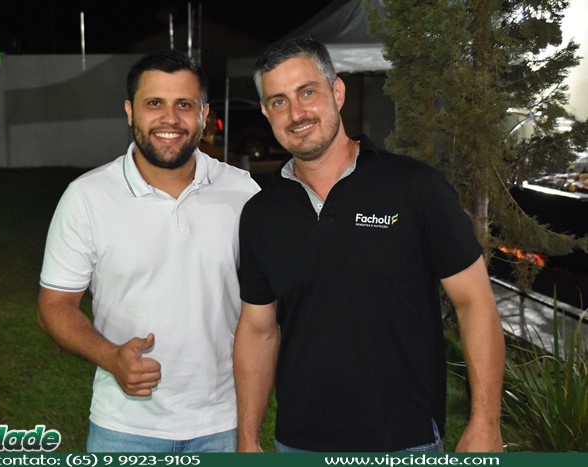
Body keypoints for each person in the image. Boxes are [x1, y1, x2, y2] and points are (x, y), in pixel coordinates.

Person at [234, 37, 505, 453]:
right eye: (279, 101)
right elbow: (258, 330)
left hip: (405, 442)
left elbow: (475, 303)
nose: (296, 113)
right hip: (299, 444)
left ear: (337, 92)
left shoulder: (416, 187)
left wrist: (485, 423)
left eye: (308, 92)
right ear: (267, 112)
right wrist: (247, 439)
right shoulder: (260, 213)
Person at [38, 50, 260, 452]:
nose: (169, 119)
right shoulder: (86, 197)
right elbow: (54, 305)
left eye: (184, 105)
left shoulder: (243, 193)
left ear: (204, 114)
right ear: (130, 111)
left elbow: (267, 311)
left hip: (223, 424)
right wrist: (110, 357)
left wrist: (248, 433)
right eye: (154, 103)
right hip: (123, 428)